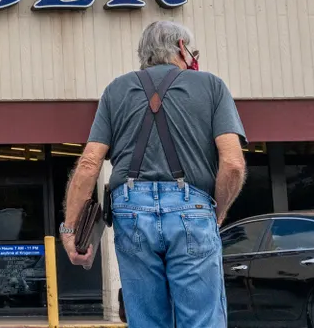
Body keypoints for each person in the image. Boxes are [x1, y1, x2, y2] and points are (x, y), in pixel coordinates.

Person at [59, 20, 247, 327]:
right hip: (192, 208)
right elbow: (233, 164)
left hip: (130, 210)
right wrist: (218, 211)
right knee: (202, 319)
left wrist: (70, 230)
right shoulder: (212, 87)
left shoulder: (115, 90)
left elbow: (89, 164)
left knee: (145, 320)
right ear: (182, 48)